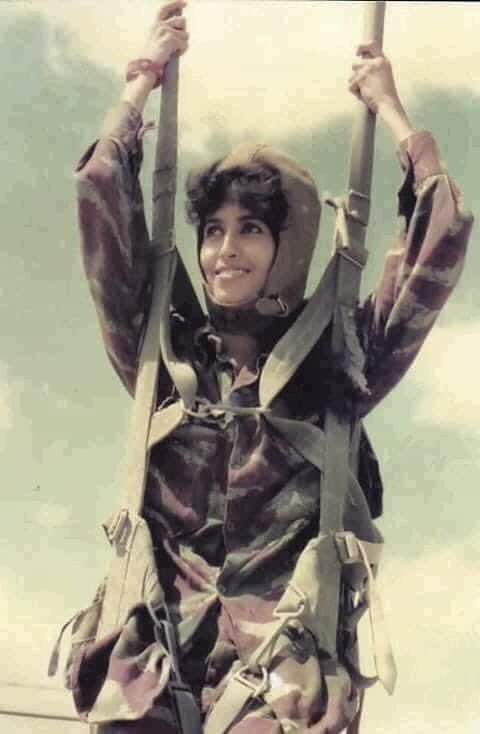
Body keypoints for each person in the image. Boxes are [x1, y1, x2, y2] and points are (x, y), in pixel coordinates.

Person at [72, 2, 473, 732]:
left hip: (279, 687)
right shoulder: (161, 352)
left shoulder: (341, 360)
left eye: (252, 229)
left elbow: (439, 236)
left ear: (288, 247)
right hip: (150, 671)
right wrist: (144, 76)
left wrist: (390, 108)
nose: (225, 249)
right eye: (214, 230)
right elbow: (100, 191)